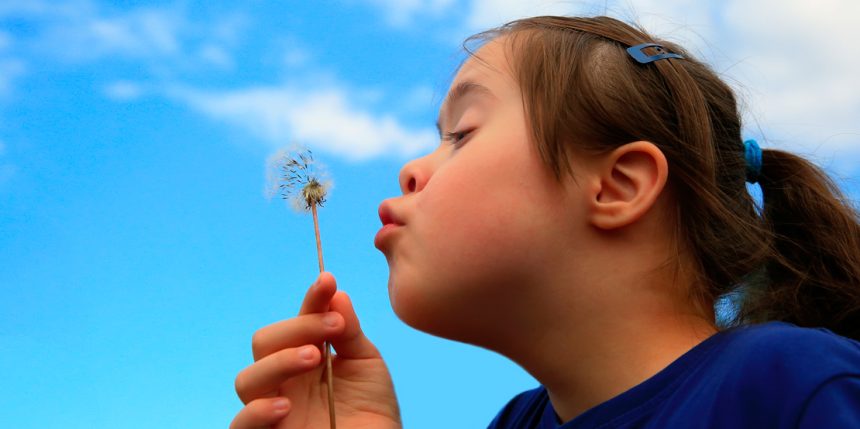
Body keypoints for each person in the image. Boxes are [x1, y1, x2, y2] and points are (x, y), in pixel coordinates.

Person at [230, 16, 860, 429]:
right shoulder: (515, 424)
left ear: (618, 185)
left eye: (462, 134)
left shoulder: (792, 386)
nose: (410, 170)